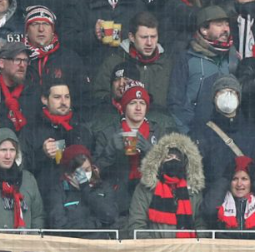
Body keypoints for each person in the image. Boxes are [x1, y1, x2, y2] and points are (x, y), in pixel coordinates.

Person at [92, 12, 174, 129]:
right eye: (144, 37)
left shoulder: (167, 64)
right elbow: (98, 95)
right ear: (131, 37)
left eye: (153, 37)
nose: (149, 43)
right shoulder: (113, 61)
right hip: (119, 126)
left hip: (159, 127)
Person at [167, 6, 239, 134]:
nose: (225, 29)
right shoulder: (186, 59)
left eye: (227, 24)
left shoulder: (233, 58)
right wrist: (188, 134)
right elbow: (175, 103)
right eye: (219, 25)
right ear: (204, 29)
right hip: (194, 133)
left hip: (227, 134)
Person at [95, 81, 159, 220]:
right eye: (132, 103)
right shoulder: (107, 134)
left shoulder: (158, 132)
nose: (138, 108)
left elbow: (169, 170)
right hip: (117, 202)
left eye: (142, 103)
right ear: (124, 106)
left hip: (151, 199)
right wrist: (110, 151)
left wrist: (149, 150)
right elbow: (93, 175)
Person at [19, 79, 93, 195]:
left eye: (67, 97)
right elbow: (20, 167)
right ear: (44, 99)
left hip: (81, 196)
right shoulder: (31, 130)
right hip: (44, 197)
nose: (63, 102)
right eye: (57, 97)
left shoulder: (80, 128)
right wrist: (42, 154)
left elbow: (93, 164)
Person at [193, 74, 255, 186]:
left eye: (232, 92)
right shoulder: (201, 135)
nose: (227, 96)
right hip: (216, 195)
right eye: (221, 92)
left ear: (239, 97)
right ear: (214, 98)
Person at [127, 133, 207, 239]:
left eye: (178, 158)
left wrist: (196, 244)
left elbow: (200, 224)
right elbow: (136, 225)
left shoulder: (193, 190)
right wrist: (156, 246)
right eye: (168, 157)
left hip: (187, 248)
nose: (173, 161)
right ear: (159, 162)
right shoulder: (145, 189)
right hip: (155, 248)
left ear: (185, 163)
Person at [23, 5, 92, 119]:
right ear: (26, 30)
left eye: (46, 24)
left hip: (65, 122)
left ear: (53, 30)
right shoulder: (18, 58)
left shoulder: (70, 58)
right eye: (35, 24)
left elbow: (83, 98)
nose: (41, 29)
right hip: (27, 122)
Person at [48, 144, 118, 236]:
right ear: (68, 174)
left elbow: (110, 216)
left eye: (88, 169)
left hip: (100, 242)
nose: (85, 175)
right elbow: (58, 226)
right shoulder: (59, 192)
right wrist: (95, 225)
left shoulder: (104, 187)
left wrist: (86, 189)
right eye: (79, 172)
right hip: (72, 243)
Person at [202, 156, 255, 233]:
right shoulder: (221, 200)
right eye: (234, 179)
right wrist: (224, 180)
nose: (239, 184)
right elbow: (208, 210)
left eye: (244, 179)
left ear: (252, 182)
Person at [0, 42, 40, 131]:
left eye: (25, 60)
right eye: (17, 60)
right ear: (1, 63)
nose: (22, 65)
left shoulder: (33, 92)